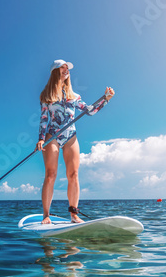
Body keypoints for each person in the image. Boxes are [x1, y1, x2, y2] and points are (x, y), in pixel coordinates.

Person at [36, 59, 114, 224]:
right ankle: (46, 215)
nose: (66, 70)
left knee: (73, 174)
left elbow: (89, 112)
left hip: (71, 136)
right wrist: (41, 139)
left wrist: (105, 99)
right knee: (51, 175)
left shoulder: (74, 96)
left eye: (67, 68)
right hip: (53, 136)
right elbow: (44, 119)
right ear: (55, 72)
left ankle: (73, 214)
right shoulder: (46, 95)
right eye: (62, 68)